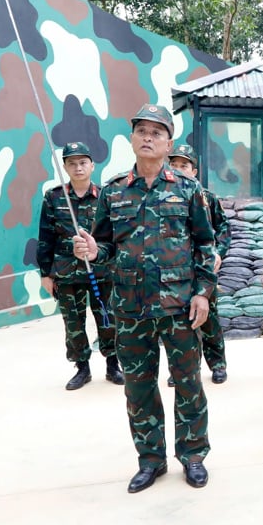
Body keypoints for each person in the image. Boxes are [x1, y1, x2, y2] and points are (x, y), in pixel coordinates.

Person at [72, 104, 216, 493]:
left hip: (179, 306)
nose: (148, 137)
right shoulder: (114, 190)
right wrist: (91, 250)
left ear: (169, 142)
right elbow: (103, 245)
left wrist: (203, 293)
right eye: (142, 131)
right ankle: (151, 460)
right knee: (138, 387)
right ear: (132, 138)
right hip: (131, 309)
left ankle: (193, 455)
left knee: (187, 383)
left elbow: (206, 244)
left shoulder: (187, 189)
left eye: (157, 132)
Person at [37, 141, 123, 390]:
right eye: (72, 163)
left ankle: (112, 366)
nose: (78, 168)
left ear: (92, 165)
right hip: (66, 272)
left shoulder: (105, 196)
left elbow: (113, 236)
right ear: (64, 167)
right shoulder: (54, 197)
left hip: (102, 270)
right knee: (73, 323)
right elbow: (45, 237)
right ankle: (82, 369)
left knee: (108, 320)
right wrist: (46, 274)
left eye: (83, 162)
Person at [167, 144, 230, 385]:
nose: (179, 169)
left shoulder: (207, 198)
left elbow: (223, 228)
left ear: (194, 171)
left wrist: (218, 253)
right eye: (174, 164)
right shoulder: (164, 195)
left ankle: (218, 365)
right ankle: (180, 369)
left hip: (202, 270)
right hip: (176, 273)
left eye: (184, 165)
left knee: (209, 319)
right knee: (178, 324)